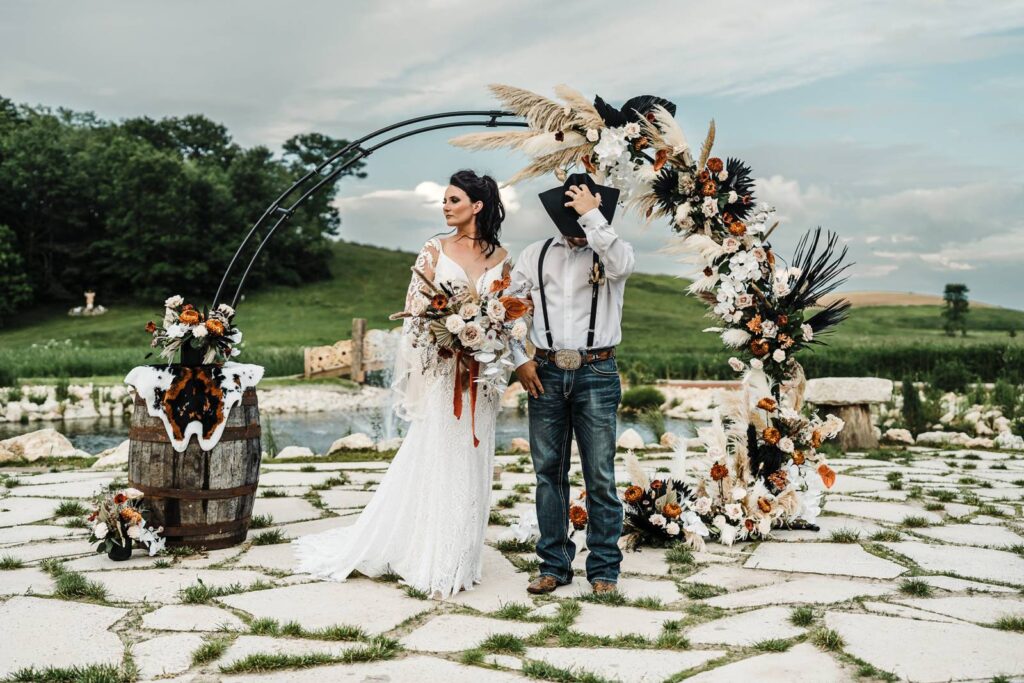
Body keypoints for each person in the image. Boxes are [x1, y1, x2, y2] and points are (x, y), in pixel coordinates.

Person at [293, 169, 510, 599]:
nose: (445, 206)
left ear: (477, 206)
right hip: (443, 373)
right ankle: (434, 557)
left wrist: (487, 337)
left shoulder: (501, 256)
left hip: (480, 378)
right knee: (440, 457)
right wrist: (445, 341)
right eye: (444, 200)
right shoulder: (435, 249)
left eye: (453, 200)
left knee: (472, 460)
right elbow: (414, 314)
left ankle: (462, 556)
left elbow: (507, 313)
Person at [510, 172, 636, 595]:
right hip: (544, 372)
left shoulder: (613, 250)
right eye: (572, 217)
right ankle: (554, 565)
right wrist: (520, 360)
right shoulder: (535, 255)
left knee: (599, 474)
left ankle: (604, 570)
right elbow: (511, 310)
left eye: (582, 217)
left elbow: (622, 265)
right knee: (548, 472)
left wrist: (592, 216)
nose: (578, 229)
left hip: (597, 372)